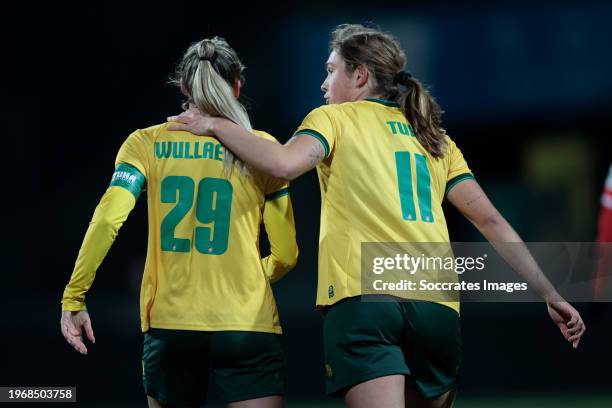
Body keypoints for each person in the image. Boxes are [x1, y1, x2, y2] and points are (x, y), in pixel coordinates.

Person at [167, 24, 586, 408]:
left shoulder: (333, 119)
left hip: (365, 301)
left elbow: (281, 165)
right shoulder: (433, 137)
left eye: (331, 71)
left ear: (361, 76)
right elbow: (491, 220)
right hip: (437, 308)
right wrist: (550, 292)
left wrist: (214, 126)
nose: (323, 83)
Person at [60, 36, 298, 408]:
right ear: (237, 86)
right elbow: (286, 254)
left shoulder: (146, 143)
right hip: (247, 323)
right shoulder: (265, 149)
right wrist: (247, 275)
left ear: (184, 86)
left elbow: (108, 220)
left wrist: (74, 295)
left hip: (171, 323)